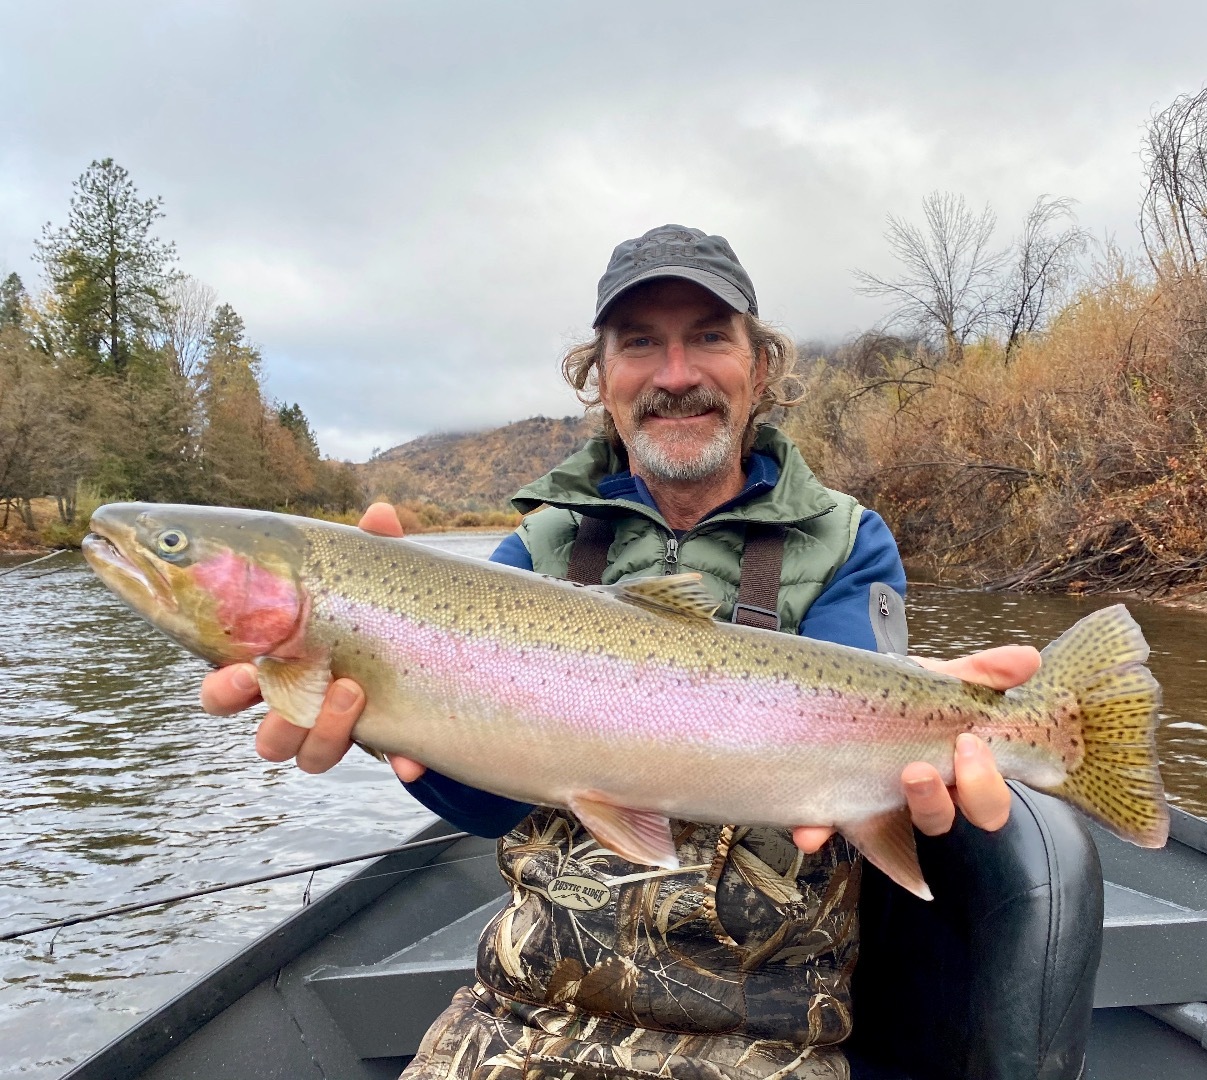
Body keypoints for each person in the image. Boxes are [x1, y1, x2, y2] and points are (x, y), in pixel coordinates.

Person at [200, 225, 1103, 1079]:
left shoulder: (845, 540)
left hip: (762, 1026)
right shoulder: (540, 548)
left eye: (708, 336)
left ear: (760, 365)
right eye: (639, 344)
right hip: (526, 1010)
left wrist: (944, 723)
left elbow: (856, 735)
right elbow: (481, 803)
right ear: (601, 378)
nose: (676, 374)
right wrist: (376, 708)